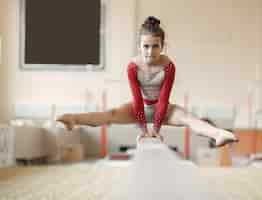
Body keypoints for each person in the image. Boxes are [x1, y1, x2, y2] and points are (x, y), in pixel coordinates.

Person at [57, 16, 238, 147]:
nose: (150, 51)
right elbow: (136, 99)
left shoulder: (168, 66)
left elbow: (164, 99)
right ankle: (74, 119)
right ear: (139, 46)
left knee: (187, 117)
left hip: (163, 109)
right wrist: (144, 130)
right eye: (146, 46)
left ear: (162, 46)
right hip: (138, 108)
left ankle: (218, 134)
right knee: (110, 114)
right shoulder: (133, 67)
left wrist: (156, 130)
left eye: (155, 46)